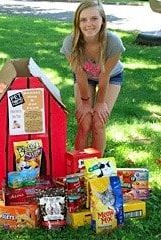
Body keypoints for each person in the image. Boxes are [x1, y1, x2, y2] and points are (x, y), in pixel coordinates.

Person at [60, 0, 125, 156]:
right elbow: (80, 74)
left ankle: (96, 168)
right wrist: (85, 102)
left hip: (111, 76)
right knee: (85, 122)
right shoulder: (70, 43)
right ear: (78, 23)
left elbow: (104, 74)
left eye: (94, 18)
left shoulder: (113, 42)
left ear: (102, 21)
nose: (89, 23)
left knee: (98, 123)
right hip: (85, 78)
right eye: (83, 19)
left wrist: (100, 103)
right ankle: (77, 167)